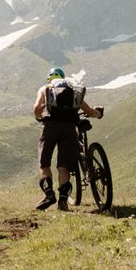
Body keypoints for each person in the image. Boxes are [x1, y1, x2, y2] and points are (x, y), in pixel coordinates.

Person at [32, 67, 102, 211]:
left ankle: (49, 194)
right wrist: (98, 114)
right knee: (64, 167)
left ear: (50, 78)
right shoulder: (72, 90)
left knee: (44, 164)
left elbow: (37, 108)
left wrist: (39, 117)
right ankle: (63, 200)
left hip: (50, 128)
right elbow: (89, 111)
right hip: (70, 129)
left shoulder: (46, 88)